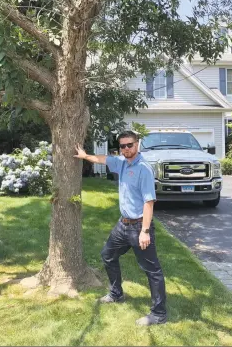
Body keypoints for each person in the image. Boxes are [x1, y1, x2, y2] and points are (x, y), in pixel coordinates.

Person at [74, 131, 167, 326]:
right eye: (122, 146)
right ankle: (116, 294)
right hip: (123, 225)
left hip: (139, 226)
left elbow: (149, 202)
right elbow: (102, 159)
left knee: (152, 270)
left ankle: (159, 314)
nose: (126, 149)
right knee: (107, 255)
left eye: (129, 145)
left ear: (137, 144)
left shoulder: (143, 169)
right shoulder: (121, 162)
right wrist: (85, 156)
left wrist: (145, 231)